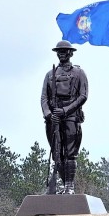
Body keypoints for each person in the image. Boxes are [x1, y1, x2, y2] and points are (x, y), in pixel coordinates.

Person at [41, 40, 88, 194]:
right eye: (59, 51)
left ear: (70, 53)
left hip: (71, 117)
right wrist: (49, 115)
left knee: (70, 153)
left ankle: (70, 186)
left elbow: (83, 96)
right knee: (57, 154)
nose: (62, 53)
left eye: (64, 51)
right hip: (54, 119)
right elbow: (44, 98)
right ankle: (63, 184)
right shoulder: (50, 75)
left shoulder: (79, 73)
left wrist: (66, 110)